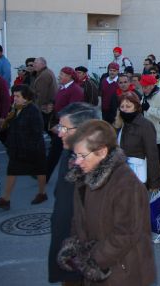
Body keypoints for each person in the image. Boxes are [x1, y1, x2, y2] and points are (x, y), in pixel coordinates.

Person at [58, 120, 156, 286]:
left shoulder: (127, 185)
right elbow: (78, 219)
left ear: (102, 152)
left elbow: (125, 234)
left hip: (123, 273)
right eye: (76, 155)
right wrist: (73, 248)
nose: (77, 162)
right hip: (96, 270)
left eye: (83, 155)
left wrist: (91, 259)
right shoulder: (83, 177)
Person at [48, 102, 100, 285]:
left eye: (64, 128)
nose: (59, 132)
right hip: (67, 245)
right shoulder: (68, 153)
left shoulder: (101, 165)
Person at [0, 85, 47, 209]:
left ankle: (42, 193)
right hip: (16, 148)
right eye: (14, 95)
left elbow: (37, 131)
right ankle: (5, 199)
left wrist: (31, 148)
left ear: (26, 98)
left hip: (32, 149)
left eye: (18, 96)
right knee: (11, 172)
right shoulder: (15, 109)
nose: (15, 98)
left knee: (40, 172)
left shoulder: (33, 110)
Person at [114, 92, 160, 191]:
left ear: (136, 107)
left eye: (128, 106)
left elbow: (152, 156)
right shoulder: (119, 125)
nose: (125, 109)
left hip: (138, 177)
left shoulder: (145, 125)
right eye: (122, 106)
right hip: (121, 176)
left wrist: (154, 183)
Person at [47, 67, 84, 182]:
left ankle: (80, 175)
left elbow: (72, 112)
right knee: (55, 150)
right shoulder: (63, 88)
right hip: (62, 125)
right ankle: (45, 175)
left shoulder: (75, 90)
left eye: (62, 74)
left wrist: (60, 128)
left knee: (69, 152)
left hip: (70, 128)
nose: (59, 76)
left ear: (69, 76)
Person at [31, 57, 58, 133]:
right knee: (49, 127)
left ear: (43, 64)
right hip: (48, 105)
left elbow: (41, 94)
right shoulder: (47, 72)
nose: (34, 65)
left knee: (47, 127)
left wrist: (37, 109)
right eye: (34, 63)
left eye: (36, 63)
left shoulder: (44, 75)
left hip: (45, 108)